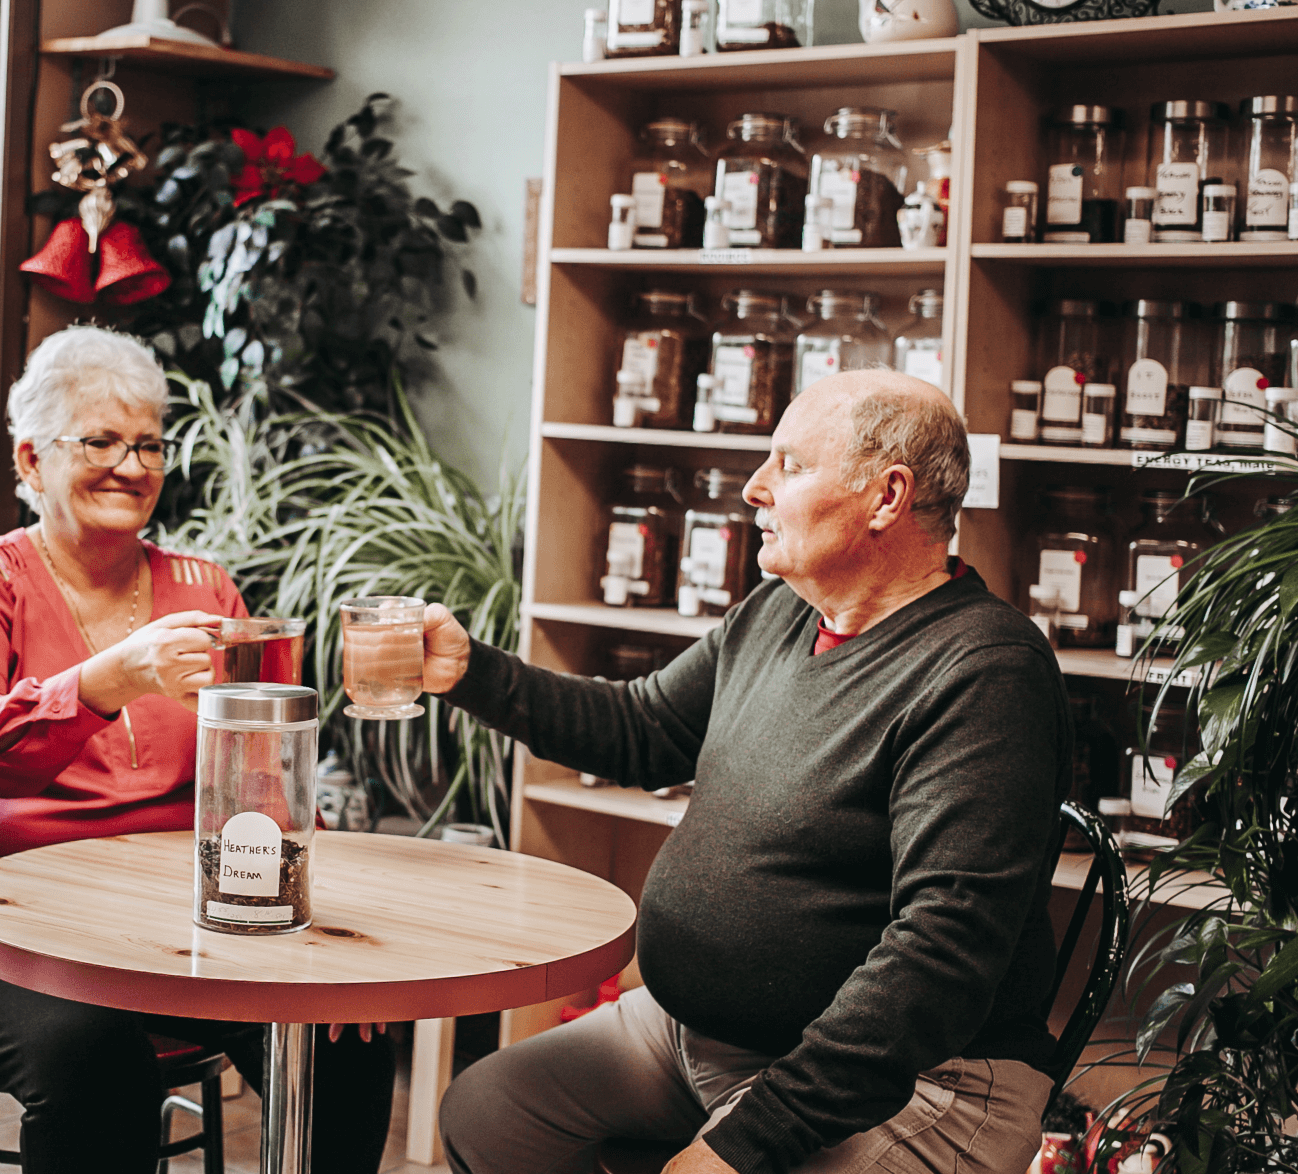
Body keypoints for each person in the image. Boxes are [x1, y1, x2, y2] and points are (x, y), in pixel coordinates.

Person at [423, 370, 1068, 1174]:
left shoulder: (985, 672)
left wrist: (745, 1142)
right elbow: (642, 728)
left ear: (887, 496)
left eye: (789, 465)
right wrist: (468, 673)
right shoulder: (780, 613)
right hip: (697, 1039)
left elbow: (939, 955)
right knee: (489, 1114)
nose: (755, 488)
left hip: (916, 1080)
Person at [0, 325, 394, 1173]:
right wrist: (107, 679)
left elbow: (266, 779)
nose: (133, 464)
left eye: (149, 443)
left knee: (345, 1044)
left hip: (157, 920)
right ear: (32, 461)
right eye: (103, 440)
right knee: (95, 1059)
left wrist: (320, 934)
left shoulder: (204, 588)